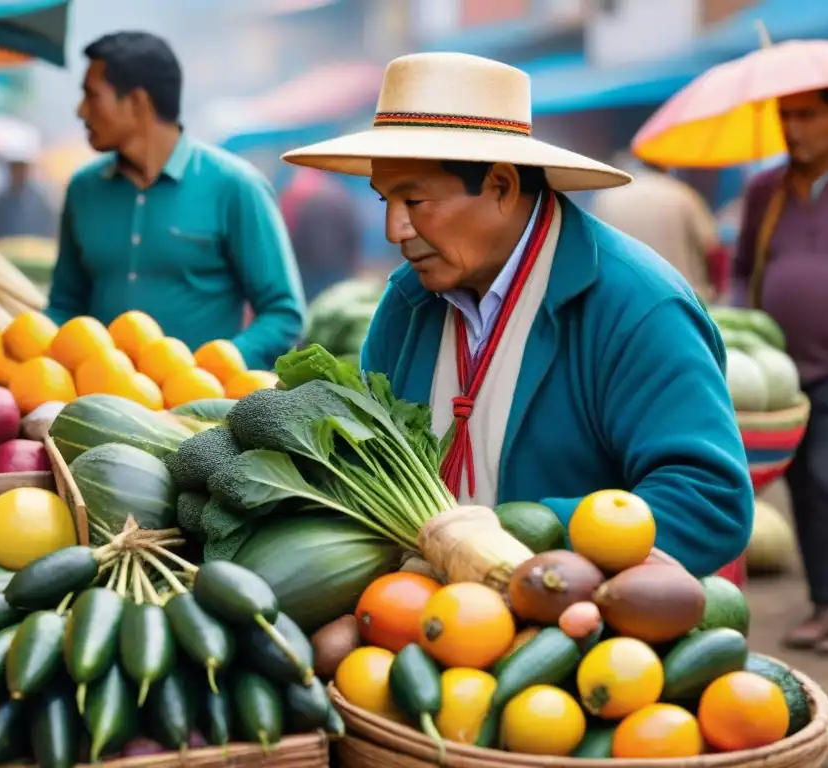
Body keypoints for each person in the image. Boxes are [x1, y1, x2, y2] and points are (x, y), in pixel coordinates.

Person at [282, 52, 752, 577]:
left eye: (414, 201)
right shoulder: (406, 303)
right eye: (387, 200)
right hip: (424, 621)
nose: (396, 230)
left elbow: (708, 502)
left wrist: (518, 543)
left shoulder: (638, 305)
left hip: (582, 639)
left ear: (502, 186)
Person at [46, 32, 305, 369]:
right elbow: (65, 304)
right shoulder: (82, 189)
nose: (81, 111)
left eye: (92, 96)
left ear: (137, 102)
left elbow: (283, 314)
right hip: (96, 406)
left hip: (198, 412)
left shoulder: (236, 186)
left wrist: (217, 366)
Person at [734, 87, 828, 651]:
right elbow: (744, 267)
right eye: (785, 116)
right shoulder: (765, 190)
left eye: (807, 116)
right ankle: (823, 604)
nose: (793, 129)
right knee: (809, 487)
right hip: (785, 376)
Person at [592, 153, 723, 303]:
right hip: (681, 299)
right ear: (664, 166)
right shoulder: (682, 194)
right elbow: (712, 248)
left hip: (621, 299)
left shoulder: (606, 196)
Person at [281, 168, 363, 301]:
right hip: (337, 267)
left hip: (310, 269)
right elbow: (353, 234)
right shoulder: (341, 195)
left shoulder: (301, 197)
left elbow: (293, 234)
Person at [0, 150, 57, 240]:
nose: (19, 172)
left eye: (22, 168)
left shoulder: (40, 199)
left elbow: (49, 226)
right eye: (16, 168)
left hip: (34, 248)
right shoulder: (1, 201)